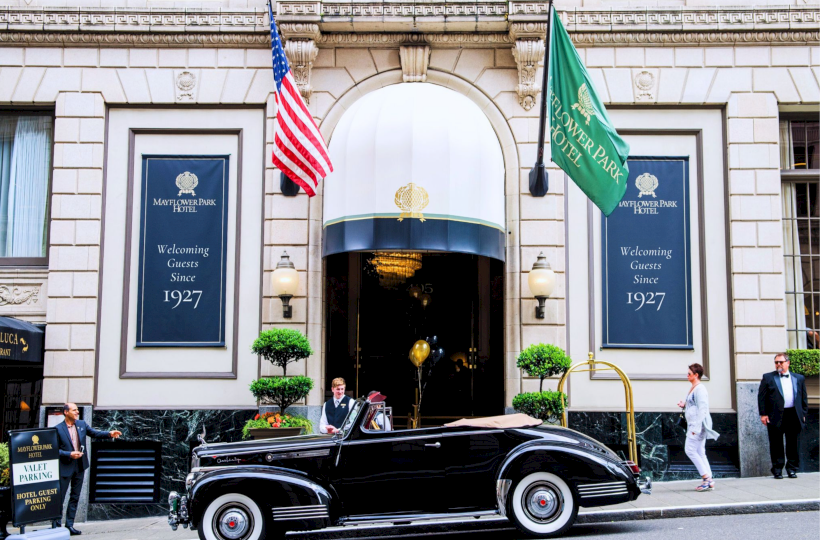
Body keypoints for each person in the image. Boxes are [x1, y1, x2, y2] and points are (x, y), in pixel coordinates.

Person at [56, 403, 122, 535]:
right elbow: (54, 450)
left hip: (79, 466)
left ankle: (69, 525)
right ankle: (57, 527)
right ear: (66, 412)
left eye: (77, 410)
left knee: (75, 497)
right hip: (65, 467)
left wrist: (109, 434)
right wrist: (69, 454)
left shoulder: (81, 424)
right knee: (60, 498)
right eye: (74, 410)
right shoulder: (58, 429)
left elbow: (94, 433)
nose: (77, 412)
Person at [758, 352, 808, 479]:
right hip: (775, 414)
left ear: (788, 362)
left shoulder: (799, 378)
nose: (778, 364)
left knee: (793, 443)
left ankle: (792, 469)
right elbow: (761, 397)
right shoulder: (768, 377)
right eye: (776, 362)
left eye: (781, 362)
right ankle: (777, 469)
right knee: (776, 443)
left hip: (793, 414)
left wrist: (803, 413)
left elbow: (803, 398)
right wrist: (763, 414)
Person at [676, 363, 719, 492]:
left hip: (696, 426)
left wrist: (696, 428)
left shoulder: (700, 389)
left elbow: (703, 409)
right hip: (694, 425)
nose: (687, 375)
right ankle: (709, 479)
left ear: (696, 375)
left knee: (690, 450)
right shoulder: (694, 388)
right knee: (700, 452)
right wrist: (685, 404)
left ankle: (706, 478)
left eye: (689, 374)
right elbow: (694, 405)